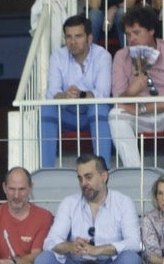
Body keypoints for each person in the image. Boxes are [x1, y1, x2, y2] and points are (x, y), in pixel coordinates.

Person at [35, 154, 143, 264]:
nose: (84, 183)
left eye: (88, 177)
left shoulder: (123, 202)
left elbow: (135, 243)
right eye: (80, 178)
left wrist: (99, 249)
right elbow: (49, 242)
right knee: (44, 260)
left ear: (104, 176)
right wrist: (70, 246)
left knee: (131, 260)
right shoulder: (69, 203)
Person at [107, 7, 164, 174]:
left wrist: (143, 107)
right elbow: (118, 99)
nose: (131, 39)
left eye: (137, 32)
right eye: (128, 34)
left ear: (152, 30)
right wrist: (132, 91)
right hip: (136, 114)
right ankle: (137, 175)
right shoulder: (121, 56)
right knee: (115, 115)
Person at [41, 18, 113, 169]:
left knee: (100, 108)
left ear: (90, 38)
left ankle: (102, 169)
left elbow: (103, 93)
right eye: (69, 37)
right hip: (68, 114)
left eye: (78, 36)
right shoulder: (58, 56)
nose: (73, 42)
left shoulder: (103, 55)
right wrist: (64, 96)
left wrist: (80, 95)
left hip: (90, 114)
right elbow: (52, 91)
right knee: (46, 109)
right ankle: (46, 170)